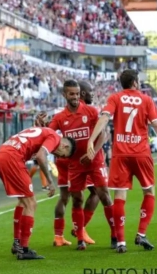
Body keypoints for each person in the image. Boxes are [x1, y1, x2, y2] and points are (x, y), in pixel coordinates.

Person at [87, 69, 157, 253]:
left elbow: (104, 118)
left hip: (120, 154)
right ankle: (141, 233)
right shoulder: (146, 99)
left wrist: (91, 140)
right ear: (134, 82)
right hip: (141, 153)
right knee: (149, 191)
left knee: (119, 195)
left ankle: (121, 242)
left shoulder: (115, 98)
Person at [42, 80, 115, 250]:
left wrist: (93, 152)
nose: (75, 97)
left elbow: (103, 134)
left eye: (76, 94)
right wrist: (42, 126)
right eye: (71, 94)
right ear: (64, 95)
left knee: (104, 195)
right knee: (77, 199)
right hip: (74, 165)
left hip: (95, 161)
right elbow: (48, 135)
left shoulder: (90, 111)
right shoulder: (60, 117)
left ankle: (115, 235)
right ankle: (80, 239)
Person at [0, 126, 76, 260]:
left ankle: (17, 243)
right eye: (62, 155)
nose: (58, 157)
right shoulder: (55, 137)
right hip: (12, 157)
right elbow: (41, 156)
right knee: (31, 204)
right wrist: (50, 181)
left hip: (0, 155)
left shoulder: (46, 132)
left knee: (23, 201)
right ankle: (24, 249)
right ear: (65, 146)